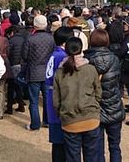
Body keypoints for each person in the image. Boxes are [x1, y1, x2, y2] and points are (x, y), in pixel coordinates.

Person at [53, 36, 102, 162]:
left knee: (72, 156)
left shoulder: (60, 72)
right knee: (92, 156)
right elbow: (98, 92)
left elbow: (56, 100)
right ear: (82, 49)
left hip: (70, 120)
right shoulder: (91, 69)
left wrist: (61, 113)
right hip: (90, 118)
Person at [84, 29, 124, 162]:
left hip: (95, 109)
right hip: (114, 106)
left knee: (96, 147)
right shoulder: (115, 59)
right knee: (115, 146)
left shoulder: (86, 61)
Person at [45, 28, 74, 162]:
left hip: (51, 94)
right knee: (62, 141)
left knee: (57, 140)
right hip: (59, 96)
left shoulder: (54, 54)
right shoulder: (62, 57)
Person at [22, 14, 55, 131]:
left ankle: (35, 124)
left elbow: (24, 56)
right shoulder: (51, 38)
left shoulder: (30, 38)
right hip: (47, 72)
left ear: (34, 25)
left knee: (34, 101)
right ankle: (47, 121)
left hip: (34, 72)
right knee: (47, 99)